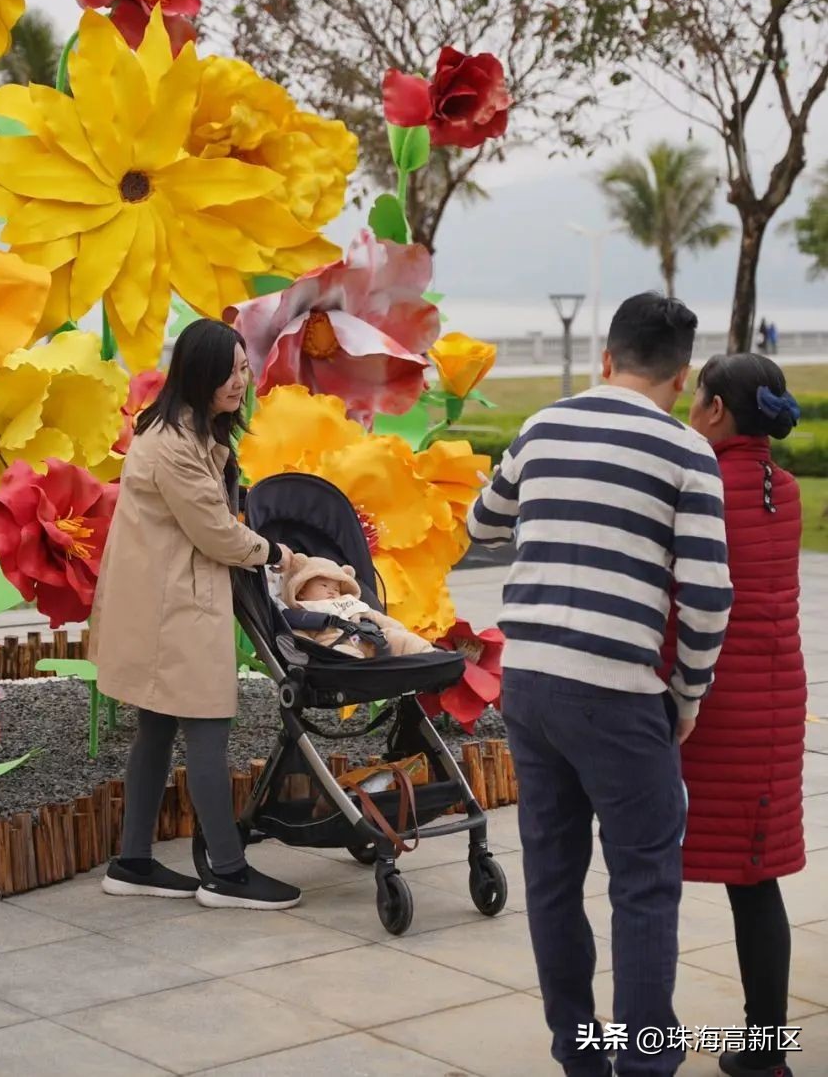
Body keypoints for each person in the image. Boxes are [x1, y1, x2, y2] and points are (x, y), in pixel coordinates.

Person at [468, 292, 733, 1077]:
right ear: (682, 378)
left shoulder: (542, 426)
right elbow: (709, 598)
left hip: (529, 682)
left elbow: (483, 523)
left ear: (607, 359)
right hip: (618, 690)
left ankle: (579, 1053)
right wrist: (686, 696)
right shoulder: (687, 451)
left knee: (552, 879)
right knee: (644, 883)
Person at [88, 318, 301, 911]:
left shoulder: (184, 431)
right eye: (228, 372)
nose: (240, 382)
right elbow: (217, 534)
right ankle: (227, 873)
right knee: (207, 728)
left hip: (163, 600)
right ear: (198, 374)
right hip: (173, 608)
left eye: (244, 369)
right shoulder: (174, 448)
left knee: (157, 729)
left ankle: (133, 863)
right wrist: (277, 554)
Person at [664, 355, 805, 1077]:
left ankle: (648, 1038)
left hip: (713, 703)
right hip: (776, 701)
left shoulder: (701, 486)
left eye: (698, 398)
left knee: (650, 869)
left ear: (716, 409)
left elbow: (684, 604)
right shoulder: (784, 486)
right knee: (755, 874)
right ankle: (766, 1048)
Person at [280, 554, 437, 658]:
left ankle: (430, 656)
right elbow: (299, 638)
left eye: (336, 588)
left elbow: (375, 616)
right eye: (324, 585)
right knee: (344, 655)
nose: (332, 591)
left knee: (401, 639)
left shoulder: (347, 602)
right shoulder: (302, 613)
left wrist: (398, 629)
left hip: (372, 637)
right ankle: (362, 672)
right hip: (336, 646)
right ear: (301, 591)